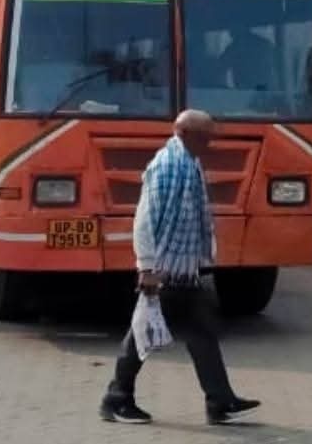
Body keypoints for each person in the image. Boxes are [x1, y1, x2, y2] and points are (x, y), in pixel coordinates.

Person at [100, 110, 259, 425]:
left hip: (184, 269)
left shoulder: (189, 162)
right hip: (165, 269)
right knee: (142, 334)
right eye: (204, 137)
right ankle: (116, 399)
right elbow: (145, 219)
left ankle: (220, 400)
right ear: (183, 133)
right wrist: (147, 267)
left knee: (201, 333)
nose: (209, 143)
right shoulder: (167, 166)